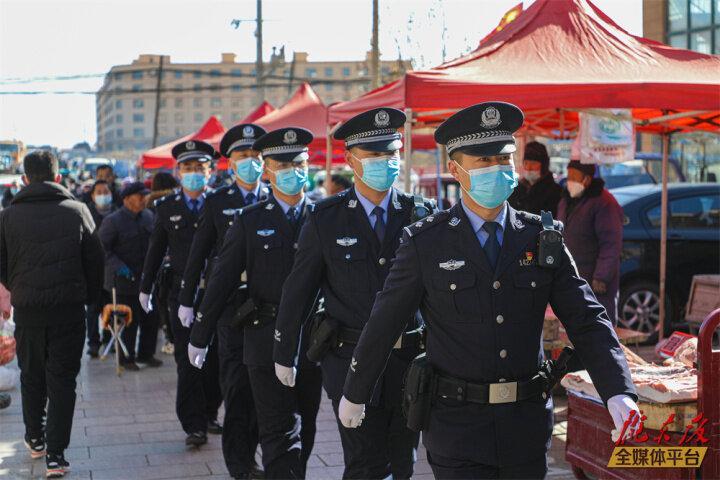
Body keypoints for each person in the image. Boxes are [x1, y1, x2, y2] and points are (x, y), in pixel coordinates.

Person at [338, 102, 640, 479]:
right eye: (483, 162)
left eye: (503, 159)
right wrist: (356, 390)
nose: (496, 169)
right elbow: (384, 322)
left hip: (525, 428)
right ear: (455, 170)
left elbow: (587, 318)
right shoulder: (425, 243)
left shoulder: (540, 237)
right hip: (456, 428)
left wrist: (617, 389)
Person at [273, 108, 435, 480]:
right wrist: (284, 353)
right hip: (347, 359)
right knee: (364, 465)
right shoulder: (325, 218)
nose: (385, 162)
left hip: (407, 363)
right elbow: (299, 290)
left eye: (390, 154)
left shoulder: (420, 213)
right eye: (374, 155)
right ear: (351, 160)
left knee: (404, 463)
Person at [191, 127, 322, 479]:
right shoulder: (250, 220)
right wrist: (200, 333)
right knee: (279, 432)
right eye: (282, 164)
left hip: (312, 341)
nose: (293, 170)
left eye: (299, 163)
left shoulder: (324, 216)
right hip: (264, 338)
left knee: (306, 429)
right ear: (267, 171)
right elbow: (221, 279)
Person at [0, 150, 104, 478]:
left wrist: (18, 286)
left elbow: (1, 265)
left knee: (32, 376)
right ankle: (56, 454)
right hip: (68, 310)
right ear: (58, 177)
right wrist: (86, 296)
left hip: (28, 311)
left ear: (25, 179)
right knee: (62, 381)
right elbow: (95, 260)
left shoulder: (7, 216)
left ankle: (35, 437)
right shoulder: (78, 210)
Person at [179, 124, 268, 479]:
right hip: (232, 310)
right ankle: (240, 463)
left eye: (256, 156)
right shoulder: (218, 202)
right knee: (237, 387)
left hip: (270, 306)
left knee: (265, 390)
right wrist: (188, 301)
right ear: (229, 163)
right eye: (243, 157)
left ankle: (257, 452)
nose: (251, 162)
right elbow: (199, 255)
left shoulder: (276, 196)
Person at [139, 140, 222, 447]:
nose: (194, 174)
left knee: (215, 360)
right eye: (187, 168)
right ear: (178, 172)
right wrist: (145, 287)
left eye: (199, 168)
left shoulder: (222, 203)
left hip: (216, 294)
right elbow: (156, 249)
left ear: (210, 171)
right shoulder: (166, 207)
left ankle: (211, 412)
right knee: (188, 362)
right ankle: (194, 425)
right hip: (180, 295)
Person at [99, 182, 161, 370]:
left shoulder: (149, 217)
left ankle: (146, 354)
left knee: (151, 318)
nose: (144, 199)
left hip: (146, 279)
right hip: (124, 281)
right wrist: (119, 267)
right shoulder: (113, 221)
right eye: (139, 196)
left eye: (145, 196)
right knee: (128, 321)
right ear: (127, 199)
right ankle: (126, 358)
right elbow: (103, 249)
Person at [558, 160, 624, 325]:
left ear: (586, 179)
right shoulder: (566, 200)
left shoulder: (604, 202)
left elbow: (610, 243)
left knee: (599, 326)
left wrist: (601, 277)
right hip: (572, 278)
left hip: (596, 283)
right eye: (568, 175)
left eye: (574, 176)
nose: (569, 180)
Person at [146, 172, 179, 355]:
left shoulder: (151, 205)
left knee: (163, 301)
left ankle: (169, 336)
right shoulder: (177, 201)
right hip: (177, 261)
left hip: (160, 264)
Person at [85, 180, 116, 357]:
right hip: (92, 270)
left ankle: (109, 339)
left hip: (111, 269)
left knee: (110, 307)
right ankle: (93, 342)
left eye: (106, 191)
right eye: (99, 192)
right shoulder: (85, 213)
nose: (103, 195)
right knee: (92, 309)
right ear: (93, 195)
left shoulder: (118, 212)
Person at [508, 141, 562, 216]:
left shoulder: (555, 192)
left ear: (543, 166)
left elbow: (550, 224)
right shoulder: (516, 189)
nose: (529, 168)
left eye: (533, 164)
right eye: (526, 163)